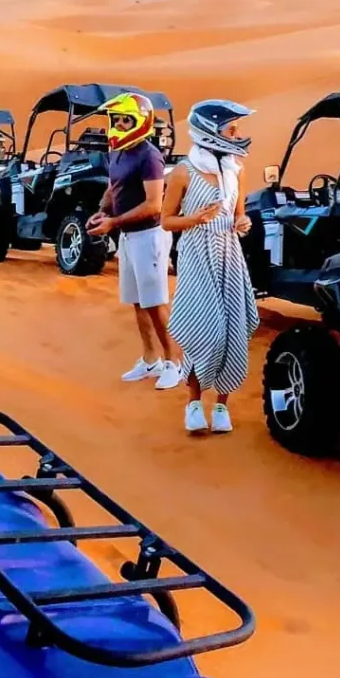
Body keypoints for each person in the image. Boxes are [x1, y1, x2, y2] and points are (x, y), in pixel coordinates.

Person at [161, 99, 259, 433]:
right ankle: (192, 403)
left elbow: (238, 213)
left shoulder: (237, 169)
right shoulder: (182, 172)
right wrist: (194, 218)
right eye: (232, 129)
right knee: (205, 329)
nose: (238, 134)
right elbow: (166, 221)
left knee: (233, 330)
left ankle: (221, 406)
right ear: (210, 131)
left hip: (228, 253)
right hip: (195, 253)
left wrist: (242, 222)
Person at [86, 91, 182, 389]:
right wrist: (102, 211)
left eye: (125, 119)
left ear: (140, 121)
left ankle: (174, 362)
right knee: (138, 302)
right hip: (128, 237)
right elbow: (113, 188)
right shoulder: (117, 151)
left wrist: (113, 222)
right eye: (117, 119)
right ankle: (150, 359)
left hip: (150, 236)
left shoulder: (149, 156)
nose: (119, 124)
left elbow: (154, 204)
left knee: (155, 303)